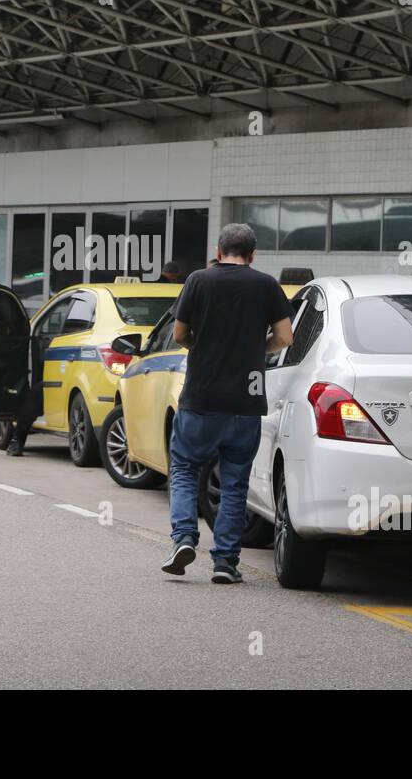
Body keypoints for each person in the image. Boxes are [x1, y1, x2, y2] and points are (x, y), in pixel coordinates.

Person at [162, 223, 293, 584]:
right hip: (245, 402)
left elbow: (179, 334)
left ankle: (184, 538)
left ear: (219, 252)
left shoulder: (198, 281)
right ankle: (225, 562)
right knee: (235, 483)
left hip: (201, 398)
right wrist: (255, 350)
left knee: (186, 469)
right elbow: (284, 337)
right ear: (252, 256)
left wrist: (203, 349)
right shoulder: (266, 284)